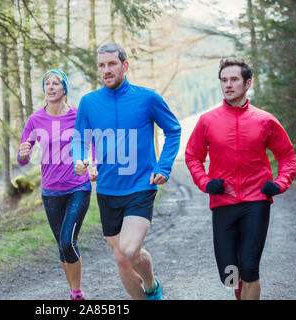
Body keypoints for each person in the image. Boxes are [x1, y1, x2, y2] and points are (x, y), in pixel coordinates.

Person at [71, 43, 181, 300]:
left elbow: (173, 130)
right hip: (108, 190)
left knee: (130, 250)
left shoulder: (148, 98)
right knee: (121, 259)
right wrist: (80, 159)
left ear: (125, 65)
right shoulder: (89, 102)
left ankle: (152, 285)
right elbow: (79, 139)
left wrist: (163, 166)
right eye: (101, 65)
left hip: (140, 186)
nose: (106, 70)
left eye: (112, 64)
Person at [185, 58, 296, 300]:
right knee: (230, 274)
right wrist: (206, 182)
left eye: (234, 79)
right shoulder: (208, 120)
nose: (228, 85)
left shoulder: (265, 120)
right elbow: (193, 156)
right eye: (224, 80)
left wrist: (279, 184)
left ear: (247, 83)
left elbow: (287, 156)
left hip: (256, 201)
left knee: (249, 267)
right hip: (223, 202)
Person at [17, 69, 96, 300]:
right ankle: (72, 290)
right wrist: (23, 154)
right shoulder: (35, 120)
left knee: (67, 241)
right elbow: (22, 157)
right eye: (47, 84)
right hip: (50, 191)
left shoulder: (77, 116)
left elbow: (88, 144)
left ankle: (78, 292)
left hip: (77, 187)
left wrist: (90, 164)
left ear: (65, 89)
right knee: (62, 247)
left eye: (56, 83)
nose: (51, 87)